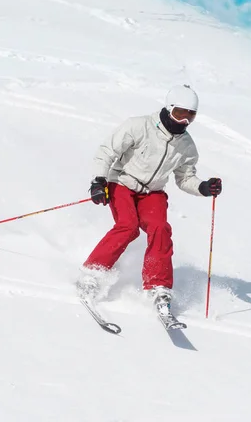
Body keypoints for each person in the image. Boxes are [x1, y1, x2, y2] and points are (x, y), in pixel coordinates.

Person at [79, 85, 222, 314]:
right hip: (122, 182)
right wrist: (99, 181)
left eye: (191, 116)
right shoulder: (138, 126)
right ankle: (93, 273)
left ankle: (158, 286)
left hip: (152, 192)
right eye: (180, 114)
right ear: (169, 108)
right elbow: (106, 152)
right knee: (128, 226)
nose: (184, 121)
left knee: (160, 228)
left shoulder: (186, 146)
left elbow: (185, 178)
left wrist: (203, 187)